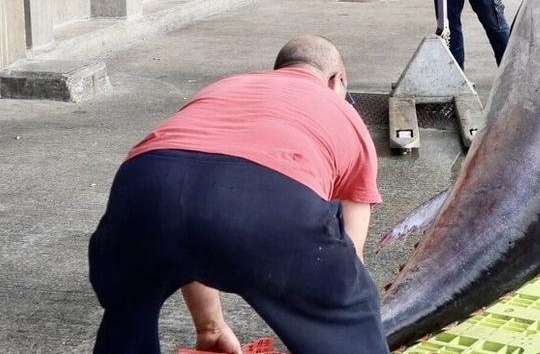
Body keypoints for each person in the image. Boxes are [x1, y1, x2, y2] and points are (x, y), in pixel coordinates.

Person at [88, 35, 388, 354]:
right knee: (350, 310)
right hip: (268, 196)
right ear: (336, 80)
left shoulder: (225, 86)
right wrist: (340, 303)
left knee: (128, 311)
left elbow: (190, 214)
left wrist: (210, 327)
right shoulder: (342, 113)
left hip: (144, 185)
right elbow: (350, 258)